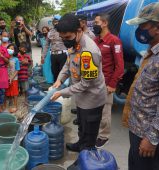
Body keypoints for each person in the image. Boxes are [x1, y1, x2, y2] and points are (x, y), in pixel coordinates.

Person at [124, 2, 159, 170]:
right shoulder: (154, 49)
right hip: (137, 127)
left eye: (142, 25)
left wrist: (152, 139)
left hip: (147, 133)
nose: (139, 29)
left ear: (158, 27)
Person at [50, 13, 107, 152]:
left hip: (92, 99)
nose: (65, 41)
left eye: (67, 37)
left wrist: (61, 92)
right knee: (82, 125)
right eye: (62, 38)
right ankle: (80, 144)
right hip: (81, 98)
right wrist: (59, 79)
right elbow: (68, 64)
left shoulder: (89, 51)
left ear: (79, 30)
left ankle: (84, 158)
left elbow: (85, 84)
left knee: (89, 134)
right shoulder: (74, 43)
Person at [93, 13, 124, 148]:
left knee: (105, 111)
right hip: (93, 82)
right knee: (95, 109)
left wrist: (112, 84)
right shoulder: (95, 40)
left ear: (105, 23)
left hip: (106, 83)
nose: (94, 25)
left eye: (96, 22)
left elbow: (120, 66)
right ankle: (95, 131)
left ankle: (104, 136)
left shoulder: (114, 41)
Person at [41, 15, 68, 82]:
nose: (56, 23)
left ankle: (62, 89)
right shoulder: (50, 32)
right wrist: (43, 56)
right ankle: (56, 88)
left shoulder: (65, 31)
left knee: (62, 73)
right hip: (53, 55)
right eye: (54, 22)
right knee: (54, 72)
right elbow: (46, 45)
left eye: (57, 22)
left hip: (63, 54)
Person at [4, 44, 20, 113]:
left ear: (14, 51)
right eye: (9, 48)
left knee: (15, 93)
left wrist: (12, 78)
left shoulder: (16, 59)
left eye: (12, 49)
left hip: (14, 78)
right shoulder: (5, 59)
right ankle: (4, 106)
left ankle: (15, 106)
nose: (10, 50)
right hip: (5, 78)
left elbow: (17, 69)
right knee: (6, 92)